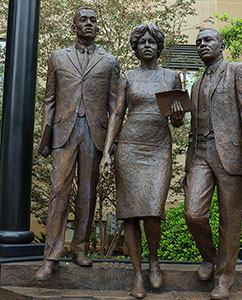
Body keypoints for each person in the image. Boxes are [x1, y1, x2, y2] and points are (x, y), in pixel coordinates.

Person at [34, 7, 119, 281]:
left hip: (94, 133)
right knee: (58, 191)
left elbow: (115, 107)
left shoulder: (109, 62)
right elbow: (50, 99)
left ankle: (79, 248)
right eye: (83, 20)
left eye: (93, 20)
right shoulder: (58, 57)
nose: (89, 24)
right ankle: (51, 257)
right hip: (64, 132)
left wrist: (110, 146)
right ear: (74, 27)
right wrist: (45, 135)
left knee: (87, 193)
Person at [100, 24, 184, 299]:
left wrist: (178, 115)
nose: (147, 45)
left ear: (159, 46)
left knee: (152, 210)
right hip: (130, 148)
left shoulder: (172, 77)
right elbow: (117, 114)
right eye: (141, 42)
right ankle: (137, 275)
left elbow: (177, 120)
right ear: (135, 48)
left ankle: (154, 261)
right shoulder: (127, 77)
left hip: (158, 148)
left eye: (152, 41)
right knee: (130, 212)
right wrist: (106, 153)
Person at [184, 28, 242, 300]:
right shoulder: (195, 86)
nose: (202, 45)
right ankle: (211, 258)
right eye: (198, 43)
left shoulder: (236, 70)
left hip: (231, 155)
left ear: (221, 44)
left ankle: (224, 278)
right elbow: (193, 128)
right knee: (193, 213)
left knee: (230, 220)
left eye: (208, 40)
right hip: (201, 155)